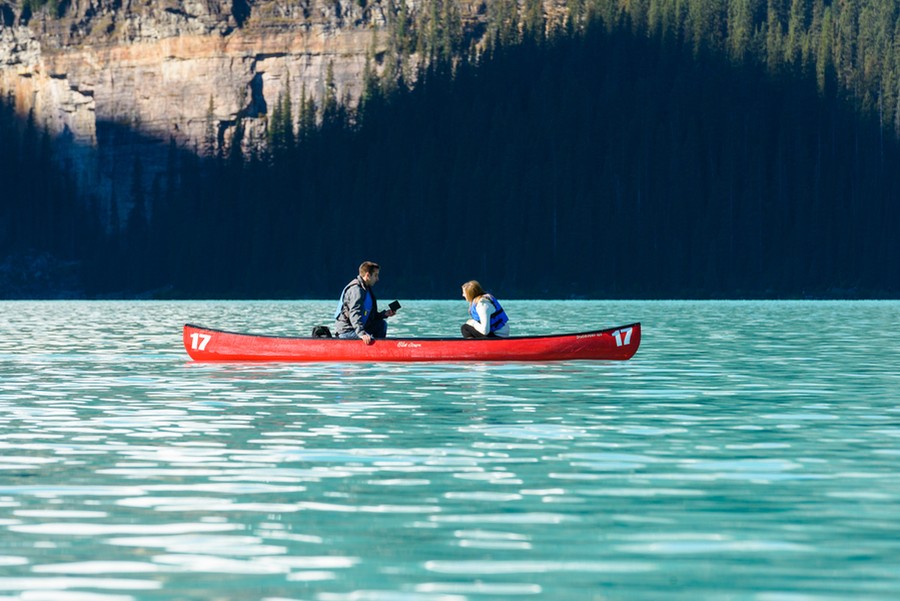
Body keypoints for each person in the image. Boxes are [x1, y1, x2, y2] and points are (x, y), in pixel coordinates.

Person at [334, 261, 396, 345]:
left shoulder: (367, 289)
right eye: (376, 275)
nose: (378, 279)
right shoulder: (356, 290)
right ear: (367, 275)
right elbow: (354, 314)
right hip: (347, 331)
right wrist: (362, 334)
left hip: (358, 329)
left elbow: (371, 317)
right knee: (371, 340)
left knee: (381, 324)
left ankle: (380, 350)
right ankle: (376, 350)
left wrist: (384, 314)